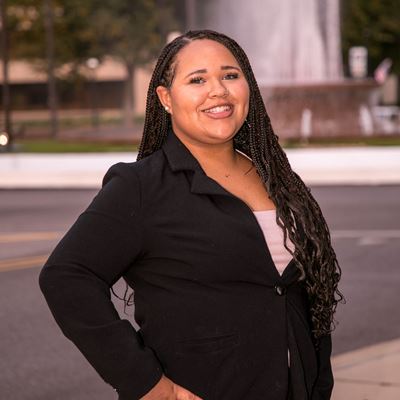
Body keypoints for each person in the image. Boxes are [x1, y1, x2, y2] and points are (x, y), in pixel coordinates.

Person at [39, 30, 343, 400]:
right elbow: (66, 277)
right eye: (197, 80)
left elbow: (301, 294)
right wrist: (148, 385)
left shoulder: (277, 179)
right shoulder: (141, 186)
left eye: (230, 75)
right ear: (166, 98)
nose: (218, 90)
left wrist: (318, 381)